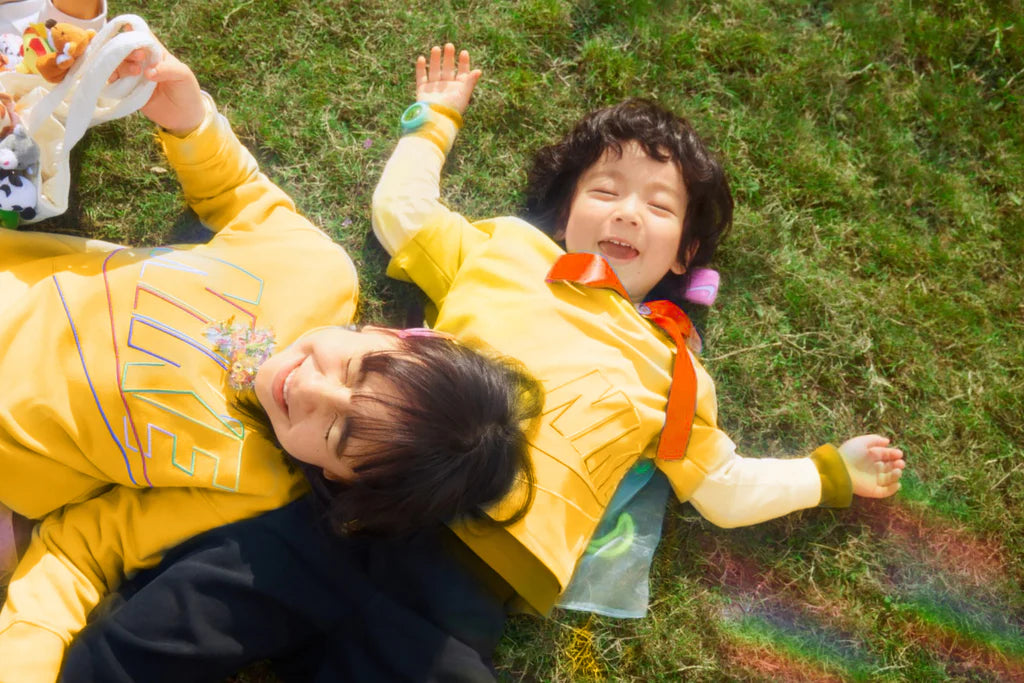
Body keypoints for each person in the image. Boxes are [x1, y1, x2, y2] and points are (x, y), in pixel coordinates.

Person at [60, 43, 907, 682]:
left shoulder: (673, 370)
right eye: (604, 189)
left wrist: (827, 472)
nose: (624, 212)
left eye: (657, 204)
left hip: (460, 598)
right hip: (349, 502)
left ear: (685, 250)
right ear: (567, 206)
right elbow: (402, 211)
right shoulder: (506, 251)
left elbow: (721, 488)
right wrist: (433, 119)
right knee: (157, 634)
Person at [0, 39, 541, 683]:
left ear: (338, 479)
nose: (312, 388)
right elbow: (238, 194)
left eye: (338, 433)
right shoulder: (315, 270)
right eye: (358, 369)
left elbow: (86, 546)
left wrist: (28, 650)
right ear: (395, 335)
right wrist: (191, 118)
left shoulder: (250, 486)